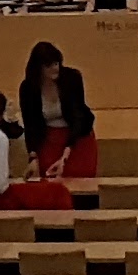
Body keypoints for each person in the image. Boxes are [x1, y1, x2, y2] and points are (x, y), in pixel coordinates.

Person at [17, 39, 97, 183]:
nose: (55, 68)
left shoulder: (72, 79)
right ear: (38, 68)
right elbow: (30, 124)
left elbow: (78, 116)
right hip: (49, 139)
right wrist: (33, 157)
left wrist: (65, 155)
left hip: (77, 138)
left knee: (79, 181)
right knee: (50, 180)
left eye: (56, 63)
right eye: (49, 65)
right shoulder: (28, 88)